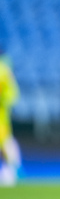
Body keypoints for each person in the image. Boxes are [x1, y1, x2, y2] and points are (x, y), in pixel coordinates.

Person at [0, 48, 21, 186]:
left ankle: (13, 169)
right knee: (6, 140)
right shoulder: (5, 68)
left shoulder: (3, 69)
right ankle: (14, 169)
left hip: (2, 111)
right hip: (3, 110)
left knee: (5, 140)